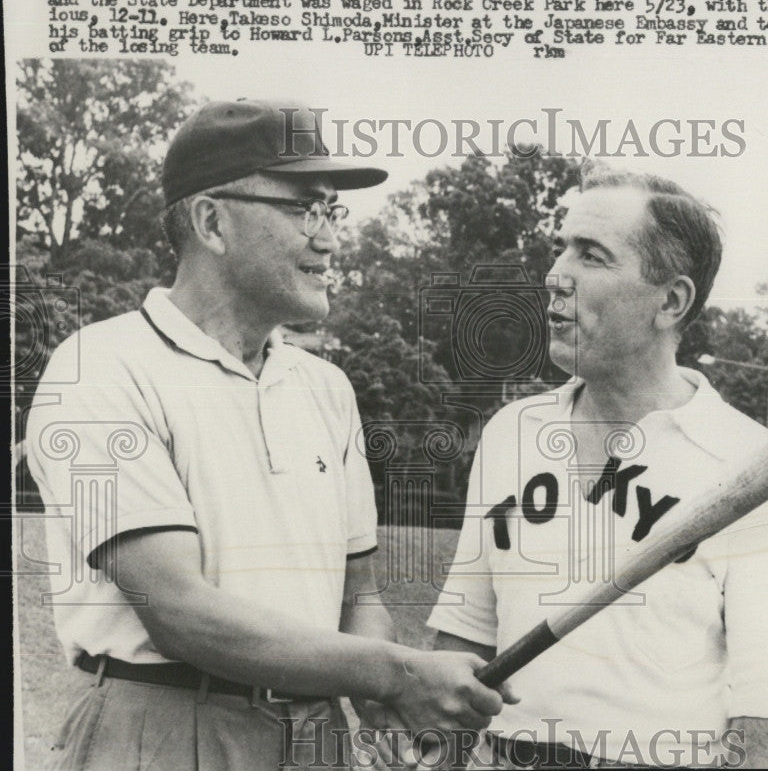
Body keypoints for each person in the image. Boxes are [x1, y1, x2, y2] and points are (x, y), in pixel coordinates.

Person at [25, 99, 514, 771]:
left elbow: (358, 595)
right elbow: (177, 608)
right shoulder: (98, 368)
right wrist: (393, 673)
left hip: (314, 734)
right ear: (212, 221)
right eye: (303, 208)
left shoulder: (326, 388)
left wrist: (375, 698)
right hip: (159, 729)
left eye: (332, 210)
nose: (331, 238)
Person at [428, 162, 768, 769]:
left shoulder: (749, 464)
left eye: (591, 256)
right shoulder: (513, 432)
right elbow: (462, 643)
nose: (555, 276)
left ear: (671, 300)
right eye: (560, 249)